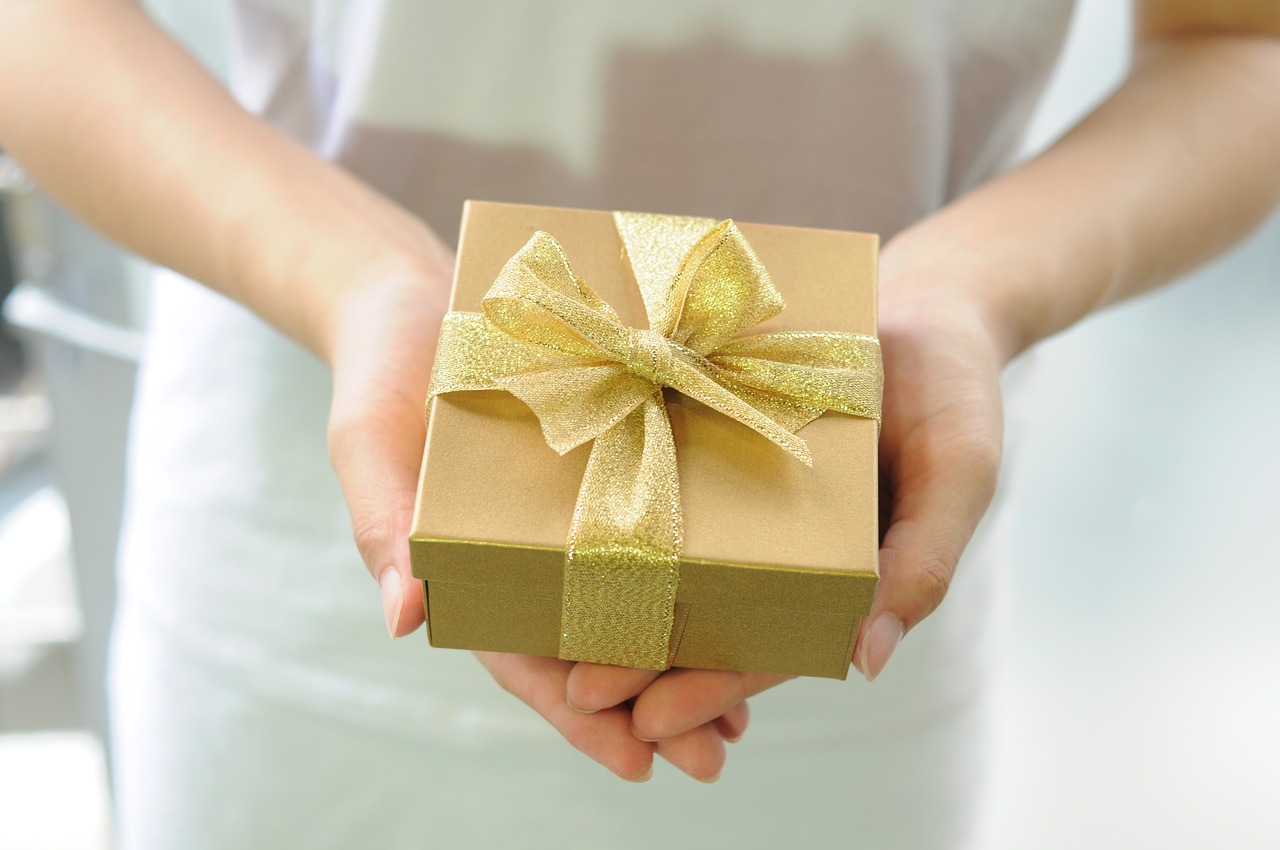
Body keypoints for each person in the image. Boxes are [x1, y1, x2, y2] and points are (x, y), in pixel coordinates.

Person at [1, 1, 1278, 847]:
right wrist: (357, 280)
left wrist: (969, 291)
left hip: (849, 548)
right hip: (309, 552)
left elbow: (1237, 39)